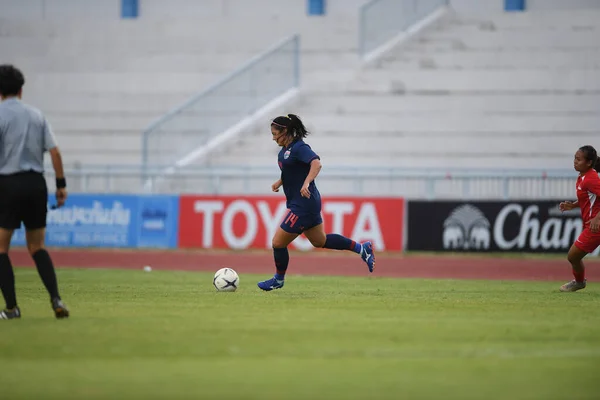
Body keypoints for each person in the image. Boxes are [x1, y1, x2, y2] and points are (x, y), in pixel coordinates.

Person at [257, 114, 375, 291]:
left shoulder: (299, 147)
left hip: (303, 204)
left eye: (275, 134)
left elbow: (316, 164)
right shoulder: (284, 151)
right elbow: (293, 170)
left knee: (278, 243)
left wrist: (306, 183)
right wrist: (280, 182)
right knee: (320, 241)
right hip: (306, 203)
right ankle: (362, 249)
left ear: (285, 131)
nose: (273, 138)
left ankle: (278, 280)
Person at [0, 64, 69, 319]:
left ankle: (12, 308)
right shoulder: (37, 115)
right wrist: (61, 184)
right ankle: (56, 299)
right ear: (20, 90)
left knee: (1, 248)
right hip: (36, 184)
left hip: (8, 183)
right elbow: (55, 152)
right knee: (37, 246)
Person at [558, 145, 600, 292]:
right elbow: (590, 198)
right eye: (574, 158)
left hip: (595, 226)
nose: (575, 161)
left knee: (573, 256)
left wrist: (597, 218)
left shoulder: (590, 178)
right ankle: (579, 281)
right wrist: (574, 205)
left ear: (588, 162)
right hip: (592, 224)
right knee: (573, 257)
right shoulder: (582, 177)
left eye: (578, 159)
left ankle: (579, 282)